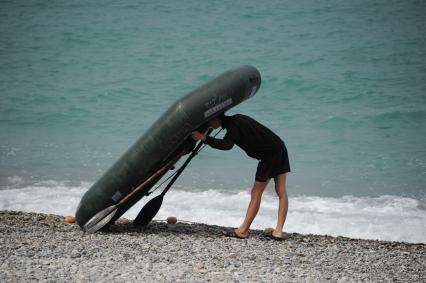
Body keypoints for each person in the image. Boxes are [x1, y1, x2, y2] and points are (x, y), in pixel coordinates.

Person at [191, 113, 290, 240]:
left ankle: (243, 230)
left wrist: (204, 138)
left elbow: (227, 145)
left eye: (210, 121)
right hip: (279, 147)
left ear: (217, 118)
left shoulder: (233, 126)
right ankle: (278, 231)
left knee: (256, 192)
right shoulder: (237, 119)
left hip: (269, 155)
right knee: (281, 191)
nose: (209, 124)